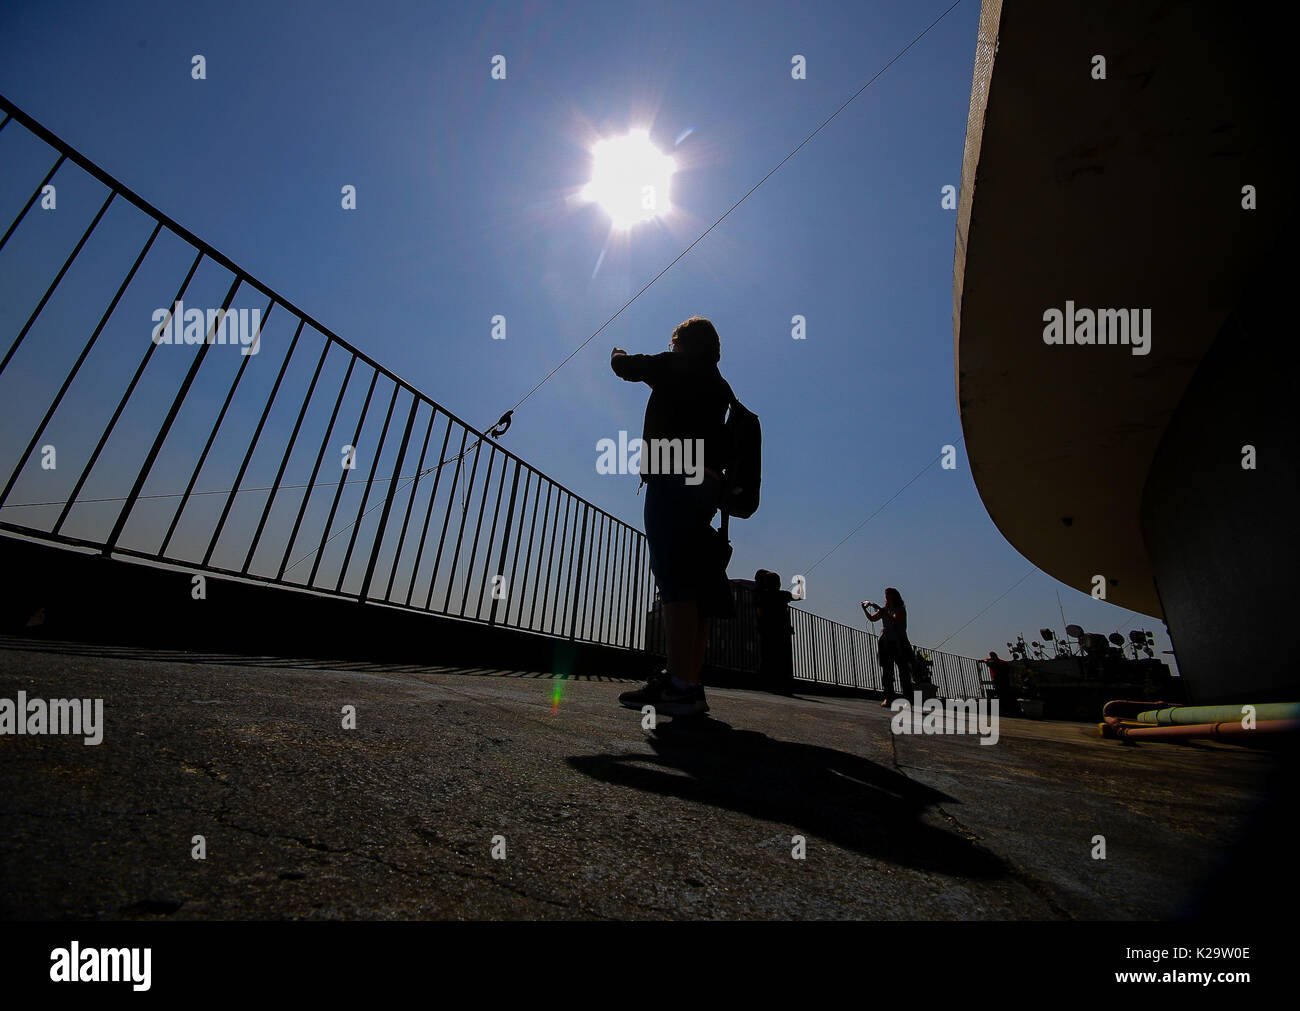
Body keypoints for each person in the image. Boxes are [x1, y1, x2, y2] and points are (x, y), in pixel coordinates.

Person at [613, 317, 735, 717]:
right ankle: (690, 684)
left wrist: (616, 352)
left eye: (675, 341)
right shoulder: (719, 385)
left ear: (681, 343)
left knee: (674, 580)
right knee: (695, 585)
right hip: (707, 487)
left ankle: (679, 687)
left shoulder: (673, 365)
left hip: (673, 478)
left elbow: (625, 368)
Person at [861, 588, 912, 707]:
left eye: (888, 595)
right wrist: (865, 609)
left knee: (903, 672)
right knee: (887, 672)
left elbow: (894, 619)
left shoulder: (900, 610)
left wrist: (880, 609)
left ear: (894, 597)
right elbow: (872, 618)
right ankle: (889, 698)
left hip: (899, 643)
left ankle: (907, 700)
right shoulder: (884, 610)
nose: (886, 598)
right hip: (886, 642)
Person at [754, 569, 795, 696]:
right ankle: (784, 683)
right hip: (783, 631)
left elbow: (760, 612)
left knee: (767, 655)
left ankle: (767, 682)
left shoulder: (763, 595)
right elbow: (799, 596)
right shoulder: (784, 595)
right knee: (784, 657)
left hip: (768, 630)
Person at [978, 650, 1020, 716]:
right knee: (1005, 694)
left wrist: (985, 661)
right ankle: (1007, 710)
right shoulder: (1002, 662)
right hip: (1005, 680)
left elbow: (989, 663)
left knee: (1001, 694)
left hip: (999, 679)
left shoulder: (995, 663)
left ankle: (1003, 710)